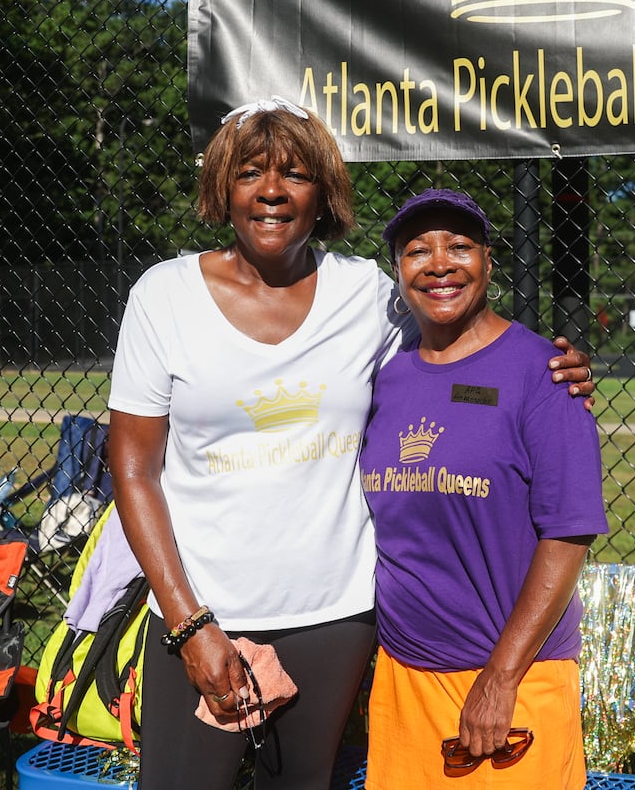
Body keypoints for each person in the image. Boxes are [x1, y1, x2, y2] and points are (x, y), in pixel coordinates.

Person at [107, 97, 594, 790]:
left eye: (295, 174)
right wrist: (189, 625)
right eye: (249, 172)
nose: (271, 191)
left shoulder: (366, 294)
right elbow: (132, 469)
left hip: (335, 616)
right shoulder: (164, 296)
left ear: (323, 193)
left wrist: (549, 368)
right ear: (222, 187)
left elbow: (458, 334)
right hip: (203, 613)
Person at [359, 188, 609, 789]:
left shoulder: (544, 375)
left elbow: (568, 534)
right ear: (398, 271)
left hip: (510, 683)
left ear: (489, 263)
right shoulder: (386, 380)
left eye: (459, 246)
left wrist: (500, 678)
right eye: (418, 250)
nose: (439, 264)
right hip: (404, 676)